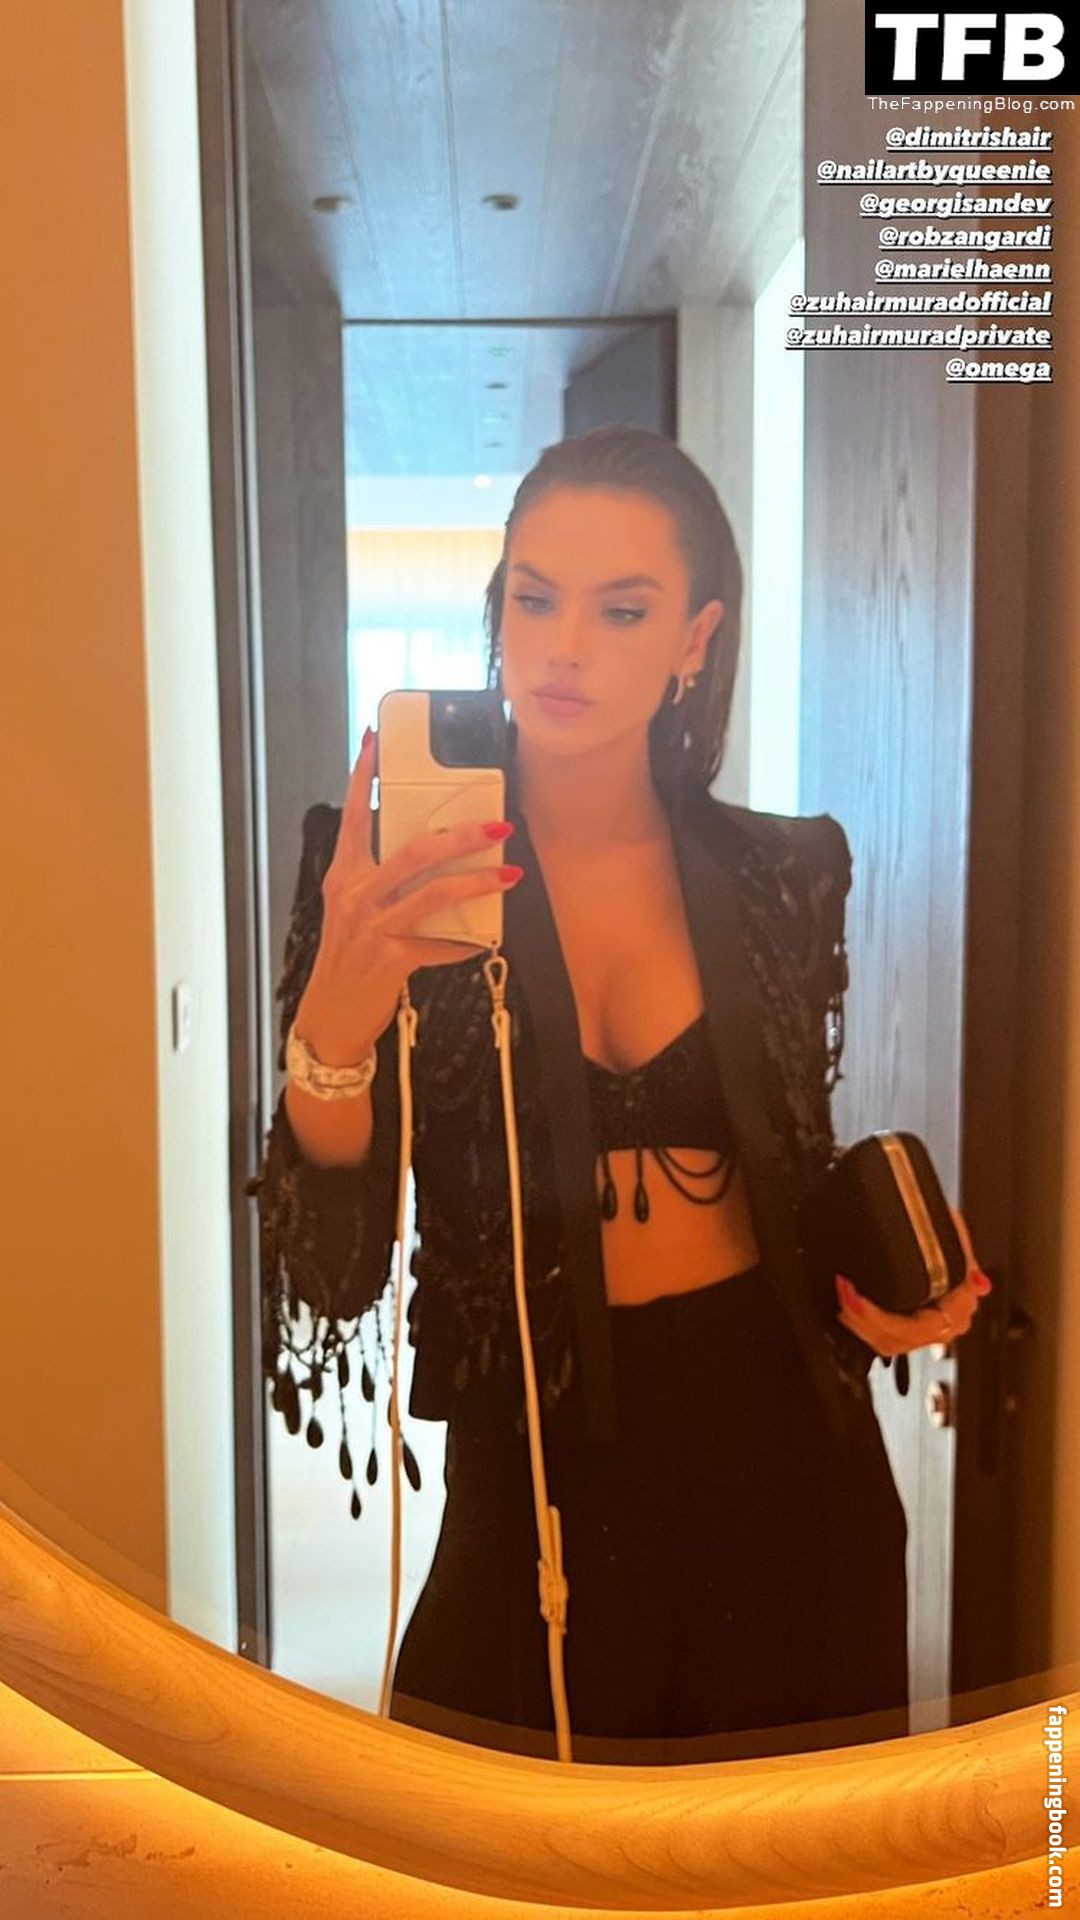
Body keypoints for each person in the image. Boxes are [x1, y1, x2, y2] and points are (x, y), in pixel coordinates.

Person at [248, 425, 990, 1763]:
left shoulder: (782, 873)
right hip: (531, 1459)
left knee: (781, 1854)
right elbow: (333, 1269)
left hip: (785, 1452)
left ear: (695, 639)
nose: (564, 647)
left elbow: (788, 1163)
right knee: (507, 1840)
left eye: (623, 609)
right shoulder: (379, 868)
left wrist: (885, 1282)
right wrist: (336, 1020)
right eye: (534, 598)